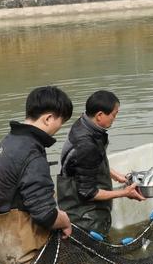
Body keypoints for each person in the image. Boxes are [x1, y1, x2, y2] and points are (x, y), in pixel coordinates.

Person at [0, 86, 121, 264]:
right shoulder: (31, 153)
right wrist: (65, 220)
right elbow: (45, 213)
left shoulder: (9, 142)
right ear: (48, 117)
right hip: (26, 246)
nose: (60, 128)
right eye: (60, 121)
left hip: (2, 244)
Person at [57, 90, 144, 239]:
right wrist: (125, 192)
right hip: (84, 214)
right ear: (99, 115)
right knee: (91, 247)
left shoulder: (84, 124)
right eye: (114, 115)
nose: (115, 119)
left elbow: (87, 164)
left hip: (79, 194)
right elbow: (87, 193)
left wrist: (115, 174)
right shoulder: (86, 144)